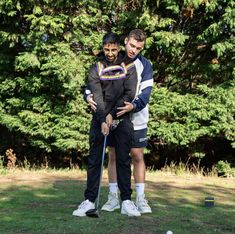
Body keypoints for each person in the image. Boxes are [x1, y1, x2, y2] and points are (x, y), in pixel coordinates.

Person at [72, 32, 141, 217]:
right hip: (99, 117)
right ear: (103, 48)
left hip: (121, 117)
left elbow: (128, 94)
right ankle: (89, 201)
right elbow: (96, 95)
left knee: (123, 160)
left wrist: (111, 115)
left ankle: (126, 201)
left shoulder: (129, 66)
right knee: (95, 160)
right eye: (106, 49)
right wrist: (103, 118)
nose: (110, 53)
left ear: (119, 47)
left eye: (113, 49)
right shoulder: (97, 66)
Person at [85, 29, 153, 214]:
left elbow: (144, 94)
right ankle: (114, 197)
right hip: (114, 116)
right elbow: (96, 84)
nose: (134, 50)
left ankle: (140, 199)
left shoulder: (145, 65)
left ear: (142, 48)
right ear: (125, 42)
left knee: (137, 155)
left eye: (138, 47)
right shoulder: (115, 59)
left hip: (135, 116)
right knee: (113, 155)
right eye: (131, 45)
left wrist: (133, 106)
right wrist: (87, 94)